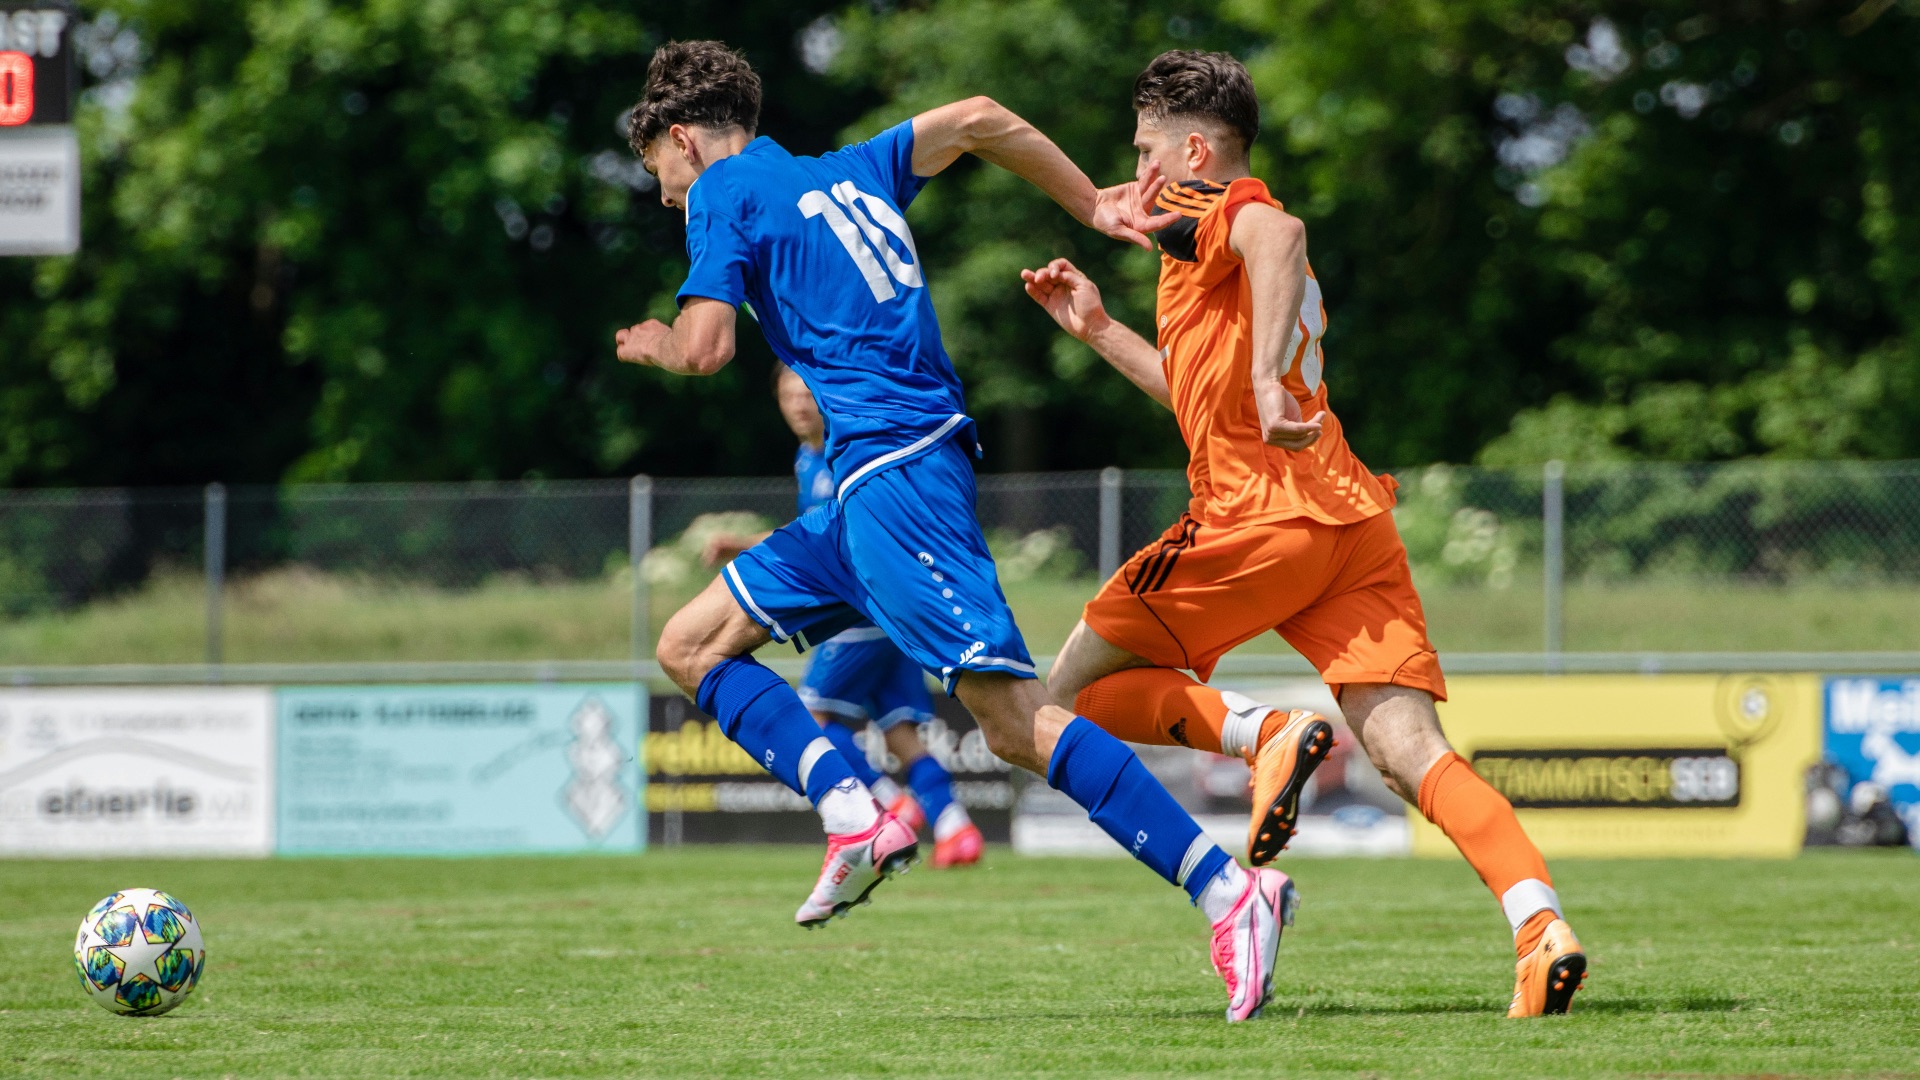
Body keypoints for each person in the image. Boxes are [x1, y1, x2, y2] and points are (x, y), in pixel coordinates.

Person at [614, 38, 1292, 1022]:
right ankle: (855, 813)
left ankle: (1231, 890)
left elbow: (710, 347)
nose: (675, 203)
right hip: (857, 492)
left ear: (684, 139)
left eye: (664, 185)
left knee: (1013, 725)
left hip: (897, 476)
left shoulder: (725, 193)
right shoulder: (849, 170)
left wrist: (659, 346)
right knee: (690, 644)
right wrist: (1089, 203)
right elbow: (978, 115)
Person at [1022, 49, 1588, 1018]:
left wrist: (1262, 378)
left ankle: (1264, 732)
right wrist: (1102, 331)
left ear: (1194, 148)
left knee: (1058, 696)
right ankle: (1540, 925)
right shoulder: (1194, 249)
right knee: (1413, 754)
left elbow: (1281, 236)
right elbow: (1197, 398)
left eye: (1147, 152)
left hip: (1257, 516)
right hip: (1348, 521)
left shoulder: (1225, 206)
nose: (1138, 175)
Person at [702, 366, 987, 868]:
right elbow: (809, 534)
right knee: (899, 730)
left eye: (804, 394)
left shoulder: (844, 448)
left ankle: (883, 803)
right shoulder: (804, 458)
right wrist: (743, 543)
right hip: (889, 613)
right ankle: (955, 827)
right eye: (787, 395)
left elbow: (843, 536)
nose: (797, 405)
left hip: (858, 610)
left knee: (812, 717)